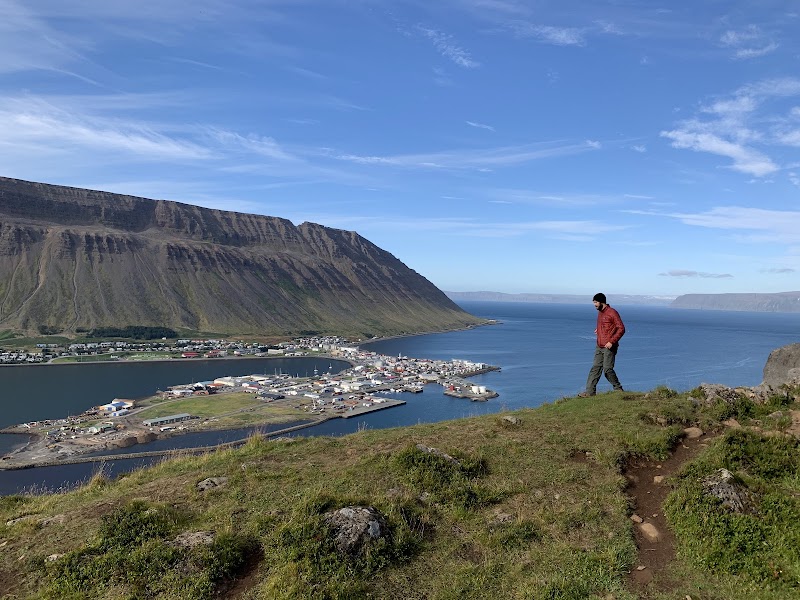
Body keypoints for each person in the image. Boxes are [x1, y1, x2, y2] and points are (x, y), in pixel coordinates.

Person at [578, 293, 625, 396]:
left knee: (607, 369)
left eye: (595, 302)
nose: (594, 304)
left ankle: (618, 389)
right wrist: (598, 330)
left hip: (609, 346)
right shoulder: (600, 313)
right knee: (595, 368)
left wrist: (612, 342)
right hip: (599, 345)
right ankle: (590, 392)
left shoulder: (612, 312)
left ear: (601, 301)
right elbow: (605, 326)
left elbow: (621, 328)